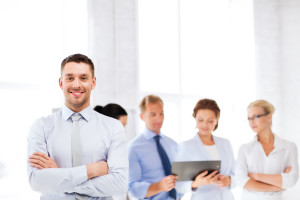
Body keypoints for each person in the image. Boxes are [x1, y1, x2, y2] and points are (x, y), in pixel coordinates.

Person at [27, 53, 128, 200]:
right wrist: (90, 170)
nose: (76, 84)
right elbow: (37, 181)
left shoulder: (113, 127)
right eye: (70, 78)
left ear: (93, 83)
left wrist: (60, 176)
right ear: (61, 83)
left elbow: (119, 183)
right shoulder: (41, 126)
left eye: (83, 78)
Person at [235, 99, 299, 200]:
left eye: (256, 116)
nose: (251, 122)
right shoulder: (245, 149)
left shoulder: (289, 147)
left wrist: (255, 176)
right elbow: (241, 181)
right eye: (249, 118)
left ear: (269, 117)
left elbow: (291, 180)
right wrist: (276, 186)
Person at [176, 99, 236, 200]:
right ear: (195, 119)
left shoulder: (225, 143)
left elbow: (237, 174)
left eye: (210, 121)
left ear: (217, 120)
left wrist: (229, 181)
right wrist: (195, 183)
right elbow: (178, 185)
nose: (205, 124)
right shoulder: (185, 146)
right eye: (200, 120)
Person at [128, 95, 179, 199]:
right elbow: (133, 188)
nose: (159, 118)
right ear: (142, 117)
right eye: (153, 114)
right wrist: (160, 186)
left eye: (161, 113)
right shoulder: (133, 148)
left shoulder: (173, 145)